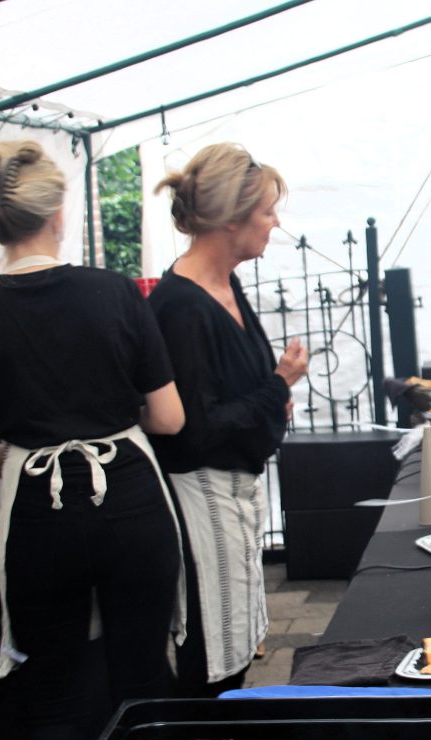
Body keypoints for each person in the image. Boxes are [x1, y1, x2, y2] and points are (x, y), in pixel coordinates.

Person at [0, 140, 185, 740]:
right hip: (129, 498)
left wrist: (22, 459)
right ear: (58, 213)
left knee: (51, 694)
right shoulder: (115, 293)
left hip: (39, 513)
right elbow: (168, 419)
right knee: (143, 678)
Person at [149, 142, 309, 696]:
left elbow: (237, 390)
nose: (275, 222)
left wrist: (271, 393)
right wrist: (277, 386)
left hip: (236, 491)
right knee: (211, 652)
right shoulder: (180, 306)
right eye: (267, 211)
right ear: (232, 220)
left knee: (236, 643)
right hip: (202, 497)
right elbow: (195, 430)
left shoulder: (226, 285)